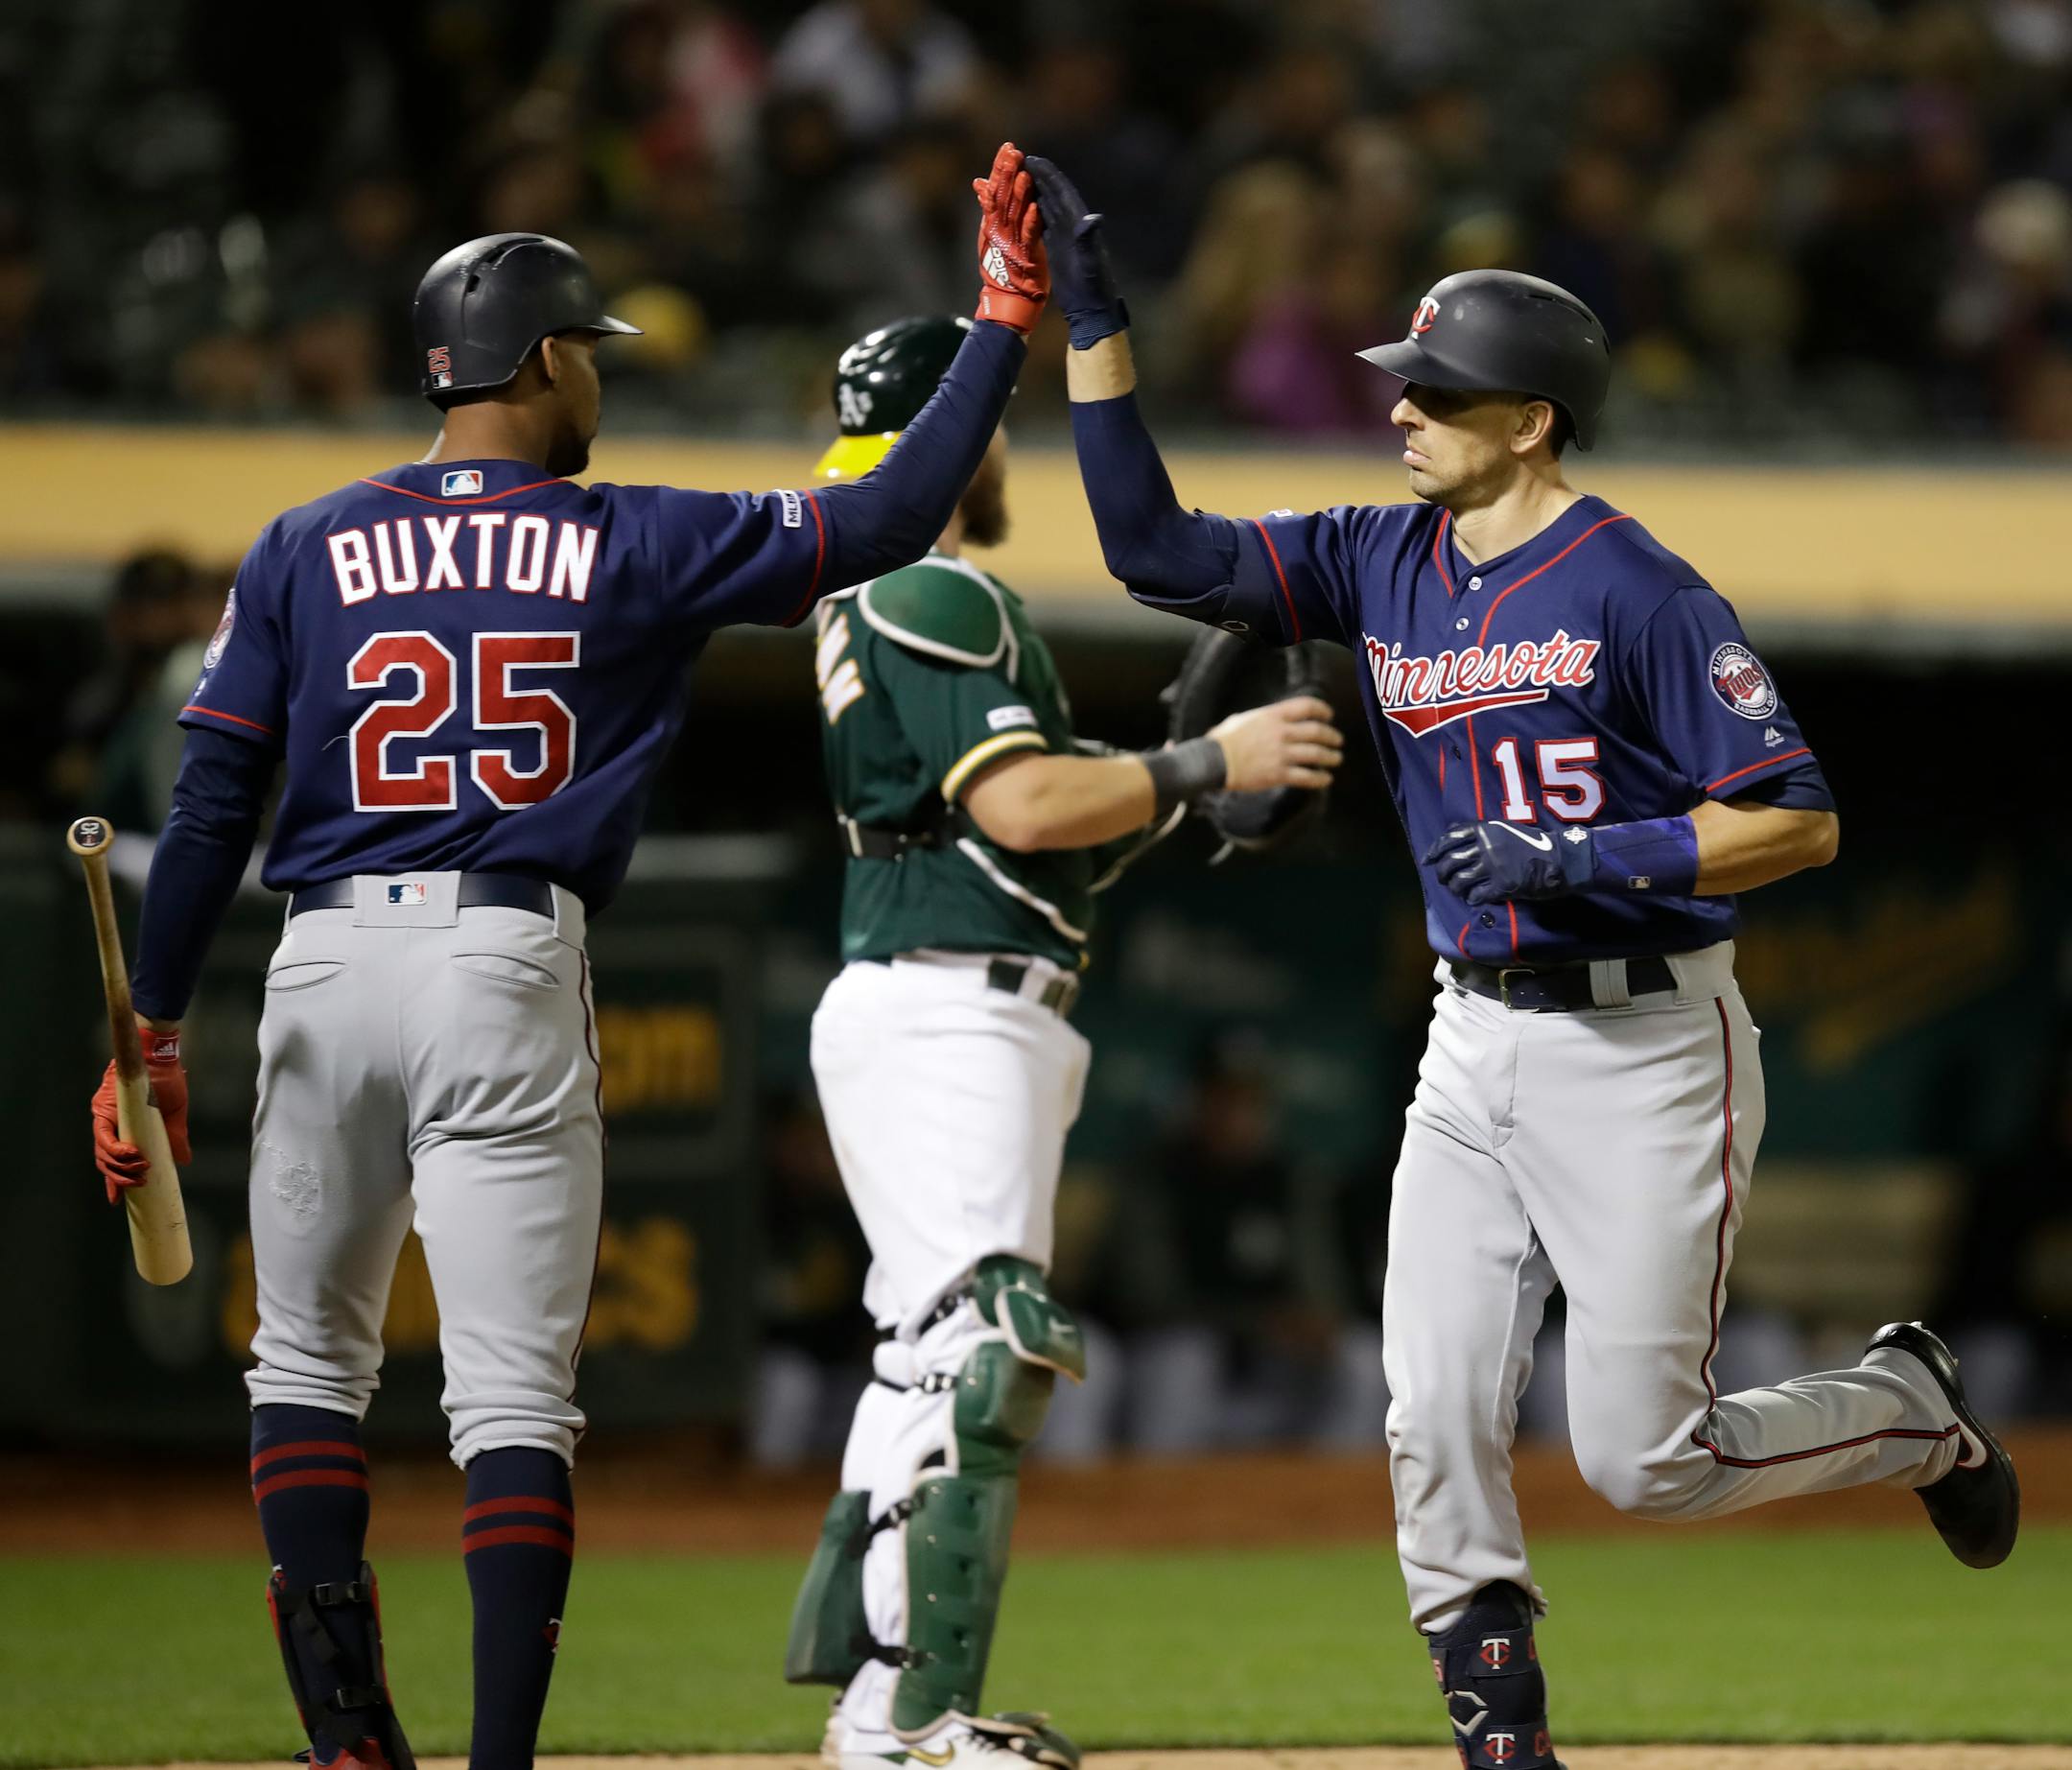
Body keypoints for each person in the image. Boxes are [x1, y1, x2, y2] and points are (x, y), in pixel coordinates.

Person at [1024, 155, 2021, 1770]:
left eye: (1438, 391)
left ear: (1533, 419)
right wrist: (1095, 333)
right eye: (1404, 383)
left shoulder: (1639, 588)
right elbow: (1154, 553)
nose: (1402, 410)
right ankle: (1500, 1723)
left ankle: (1912, 1412)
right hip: (1471, 1035)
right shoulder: (1380, 554)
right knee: (1428, 1405)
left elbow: (1799, 819)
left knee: (1647, 1460)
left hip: (1648, 1049)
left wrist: (1589, 856)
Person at [84, 144, 1048, 1770]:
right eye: (589, 350)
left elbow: (204, 814)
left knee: (304, 1368)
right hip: (502, 959)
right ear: (538, 359)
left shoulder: (301, 542)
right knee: (514, 1401)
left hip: (319, 964)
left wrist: (153, 1032)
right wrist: (1005, 321)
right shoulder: (629, 535)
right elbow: (892, 515)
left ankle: (348, 1742)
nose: (598, 374)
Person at [786, 314, 1342, 1770]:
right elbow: (1025, 808)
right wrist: (1209, 757)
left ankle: (881, 1707)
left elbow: (1026, 840)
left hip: (944, 991)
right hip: (944, 1009)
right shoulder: (931, 582)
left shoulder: (870, 579)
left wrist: (1168, 790)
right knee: (983, 1347)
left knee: (931, 1351)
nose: (1004, 451)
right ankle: (917, 1719)